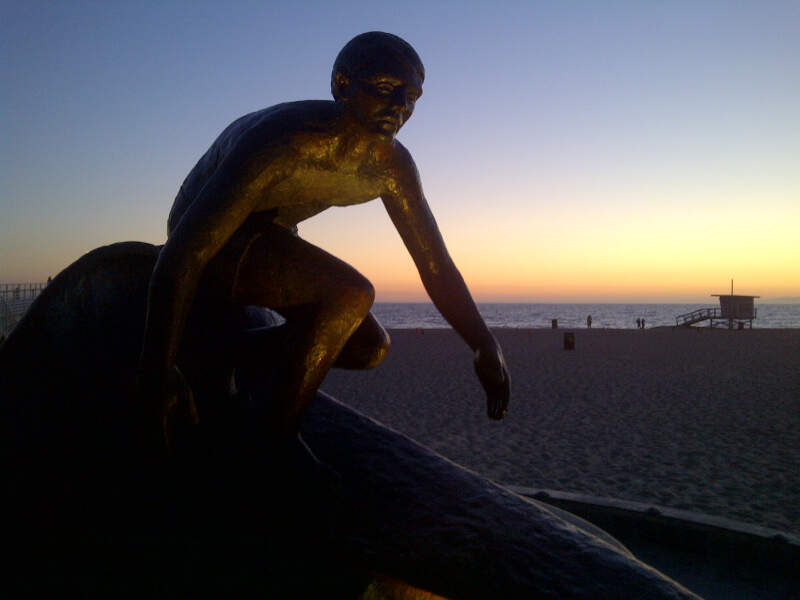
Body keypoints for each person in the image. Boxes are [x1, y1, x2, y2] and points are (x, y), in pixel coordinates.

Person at [137, 32, 510, 456]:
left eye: (411, 97)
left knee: (369, 345)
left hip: (271, 238)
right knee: (351, 293)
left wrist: (484, 343)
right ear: (342, 86)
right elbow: (186, 250)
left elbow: (436, 266)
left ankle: (223, 355)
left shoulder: (392, 166)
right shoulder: (286, 140)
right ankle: (277, 442)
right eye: (386, 89)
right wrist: (156, 370)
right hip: (211, 236)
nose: (399, 108)